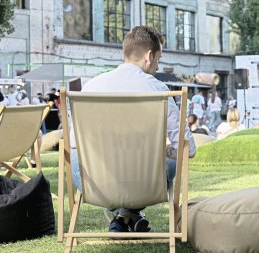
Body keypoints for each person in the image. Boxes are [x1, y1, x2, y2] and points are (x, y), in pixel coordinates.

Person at [69, 26, 196, 234]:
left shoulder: (91, 86)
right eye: (158, 59)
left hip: (94, 184)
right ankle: (131, 214)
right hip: (145, 183)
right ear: (149, 56)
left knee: (76, 154)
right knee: (172, 157)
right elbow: (188, 148)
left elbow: (73, 143)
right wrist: (162, 151)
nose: (157, 66)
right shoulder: (158, 89)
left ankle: (123, 217)